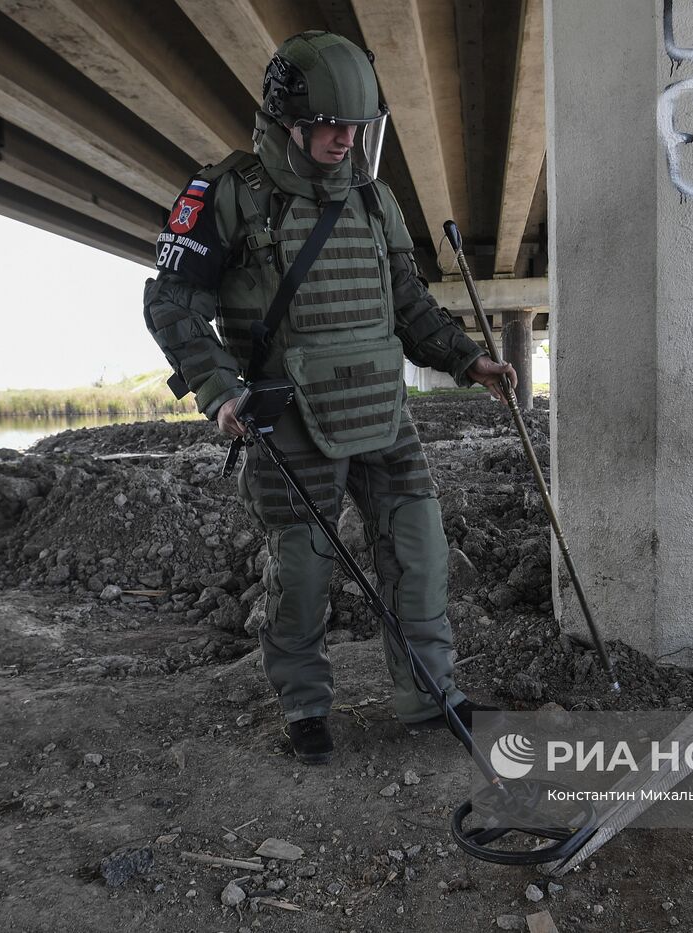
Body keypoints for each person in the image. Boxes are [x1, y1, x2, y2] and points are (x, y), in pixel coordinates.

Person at [143, 30, 514, 765]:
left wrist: (469, 359)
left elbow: (408, 306)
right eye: (330, 126)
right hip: (290, 419)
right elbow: (173, 306)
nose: (346, 140)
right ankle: (306, 705)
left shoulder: (376, 202)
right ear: (287, 119)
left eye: (357, 127)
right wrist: (219, 390)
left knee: (420, 551)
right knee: (303, 571)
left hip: (382, 411)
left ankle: (431, 694)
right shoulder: (225, 195)